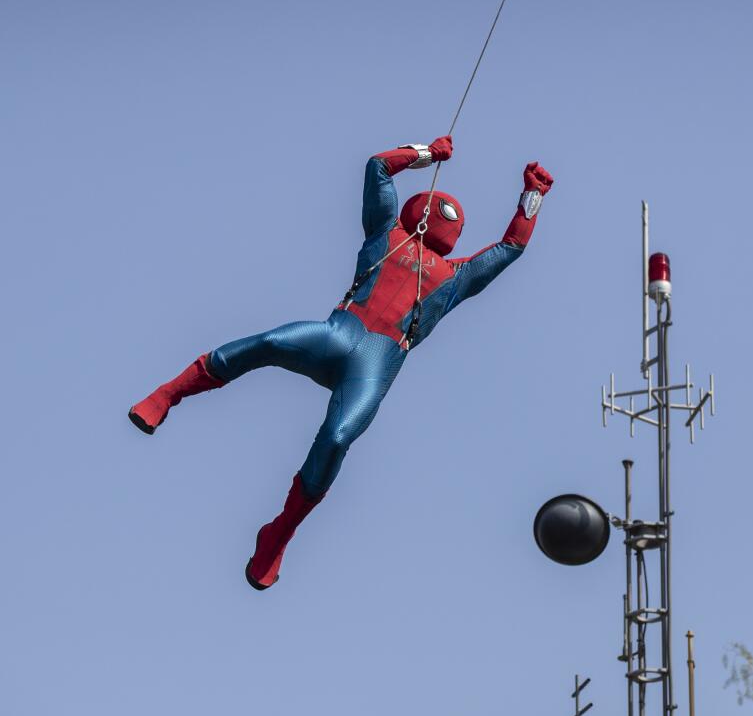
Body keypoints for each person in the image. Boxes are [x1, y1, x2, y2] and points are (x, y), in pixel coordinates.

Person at [128, 136, 554, 589]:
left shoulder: (456, 277)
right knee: (269, 341)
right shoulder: (385, 234)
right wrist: (427, 154)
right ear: (419, 209)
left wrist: (533, 196)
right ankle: (168, 393)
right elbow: (377, 168)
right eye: (437, 210)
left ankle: (280, 533)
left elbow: (510, 248)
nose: (445, 220)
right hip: (338, 333)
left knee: (338, 435)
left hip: (376, 360)